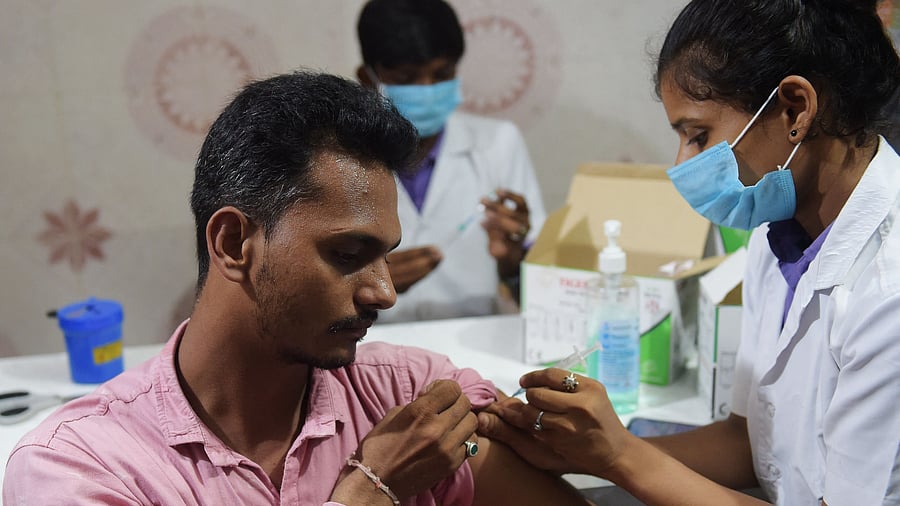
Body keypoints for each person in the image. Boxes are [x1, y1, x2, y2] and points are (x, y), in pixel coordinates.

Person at [2, 71, 590, 505]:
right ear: (234, 242)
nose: (385, 293)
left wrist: (597, 448)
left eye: (385, 257)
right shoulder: (82, 467)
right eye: (348, 255)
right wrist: (369, 491)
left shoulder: (407, 399)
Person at [477, 0, 900, 504]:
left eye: (699, 136)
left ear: (794, 109)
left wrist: (620, 457)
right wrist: (580, 452)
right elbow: (748, 441)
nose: (681, 163)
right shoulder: (782, 234)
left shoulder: (888, 289)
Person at [355, 0, 547, 322]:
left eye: (442, 74)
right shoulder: (343, 158)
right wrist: (366, 281)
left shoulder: (498, 144)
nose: (428, 91)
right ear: (367, 78)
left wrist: (512, 261)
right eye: (407, 78)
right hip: (372, 343)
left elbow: (539, 285)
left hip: (473, 338)